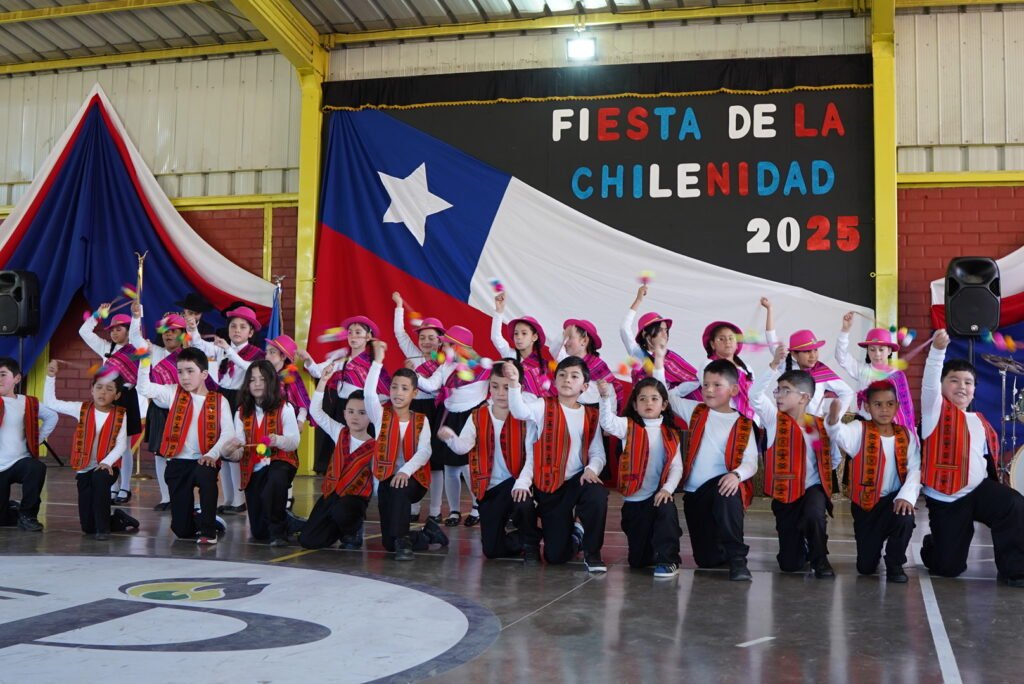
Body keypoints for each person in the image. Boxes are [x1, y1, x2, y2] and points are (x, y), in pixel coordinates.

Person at [919, 330, 1024, 587]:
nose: (962, 386)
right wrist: (937, 351)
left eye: (968, 382)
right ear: (942, 385)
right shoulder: (934, 412)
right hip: (948, 499)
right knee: (949, 568)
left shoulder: (980, 421)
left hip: (977, 492)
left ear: (974, 390)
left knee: (1012, 503)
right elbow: (929, 383)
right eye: (954, 380)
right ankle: (933, 545)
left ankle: (1014, 570)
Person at [657, 350, 758, 581]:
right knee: (707, 560)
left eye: (717, 385)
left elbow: (751, 462)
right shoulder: (696, 411)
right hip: (695, 494)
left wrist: (736, 475)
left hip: (723, 488)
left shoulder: (743, 423)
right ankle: (720, 547)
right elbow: (665, 395)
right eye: (705, 385)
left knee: (727, 490)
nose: (709, 390)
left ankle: (738, 560)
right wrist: (660, 361)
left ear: (734, 390)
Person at [506, 356, 609, 573]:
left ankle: (592, 553)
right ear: (555, 381)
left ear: (585, 386)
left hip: (576, 481)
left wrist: (592, 469)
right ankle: (576, 535)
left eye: (574, 376)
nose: (567, 379)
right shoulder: (543, 405)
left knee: (597, 493)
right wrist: (514, 383)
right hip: (549, 483)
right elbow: (519, 411)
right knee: (555, 557)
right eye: (562, 375)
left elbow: (598, 453)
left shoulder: (591, 415)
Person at [750, 345, 839, 578]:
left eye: (785, 391)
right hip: (785, 493)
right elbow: (754, 396)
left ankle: (820, 559)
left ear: (804, 397)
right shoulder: (773, 420)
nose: (778, 395)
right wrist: (772, 366)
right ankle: (801, 546)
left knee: (814, 514)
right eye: (777, 390)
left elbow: (831, 458)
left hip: (812, 488)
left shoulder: (817, 425)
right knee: (789, 565)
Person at [439, 359, 535, 561]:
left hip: (517, 483)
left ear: (518, 387)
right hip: (489, 488)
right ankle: (527, 538)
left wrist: (523, 483)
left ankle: (530, 542)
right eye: (495, 386)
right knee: (491, 551)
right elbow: (463, 447)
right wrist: (450, 438)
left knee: (524, 504)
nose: (500, 393)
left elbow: (531, 457)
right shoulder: (478, 415)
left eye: (506, 387)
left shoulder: (526, 416)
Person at [825, 380, 920, 583]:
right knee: (866, 568)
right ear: (867, 407)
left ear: (897, 406)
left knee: (905, 517)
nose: (884, 409)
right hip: (866, 506)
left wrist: (906, 497)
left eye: (889, 404)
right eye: (878, 404)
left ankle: (895, 563)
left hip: (894, 501)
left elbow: (915, 469)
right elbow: (840, 435)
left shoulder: (906, 435)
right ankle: (872, 551)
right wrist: (833, 421)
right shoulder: (859, 429)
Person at [137, 347, 232, 545]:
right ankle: (203, 519)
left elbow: (228, 434)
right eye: (180, 372)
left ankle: (208, 530)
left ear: (204, 374)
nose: (184, 377)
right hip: (178, 462)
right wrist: (145, 360)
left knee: (206, 477)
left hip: (204, 460)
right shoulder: (173, 392)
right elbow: (144, 388)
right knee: (182, 531)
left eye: (190, 371)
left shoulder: (219, 401)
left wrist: (212, 454)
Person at [364, 342, 448, 560]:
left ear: (414, 393)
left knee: (400, 489)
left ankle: (403, 541)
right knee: (387, 543)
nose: (398, 393)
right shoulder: (380, 416)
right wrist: (378, 362)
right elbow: (369, 394)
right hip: (387, 478)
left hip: (414, 480)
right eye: (394, 387)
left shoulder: (421, 420)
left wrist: (405, 471)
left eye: (404, 388)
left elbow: (424, 452)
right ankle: (427, 534)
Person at [597, 374, 684, 578]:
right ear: (635, 405)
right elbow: (607, 423)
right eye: (642, 399)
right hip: (634, 501)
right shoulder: (626, 426)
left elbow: (676, 467)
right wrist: (604, 397)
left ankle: (669, 560)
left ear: (664, 405)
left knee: (666, 510)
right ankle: (650, 549)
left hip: (658, 497)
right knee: (638, 561)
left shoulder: (671, 434)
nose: (648, 403)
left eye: (654, 398)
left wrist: (667, 490)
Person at [43, 360, 140, 539]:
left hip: (108, 468)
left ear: (117, 395)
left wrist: (106, 462)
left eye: (109, 389)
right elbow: (51, 403)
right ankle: (118, 519)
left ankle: (103, 530)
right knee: (88, 527)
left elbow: (121, 445)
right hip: (84, 468)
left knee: (99, 478)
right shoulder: (81, 409)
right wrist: (50, 377)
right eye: (99, 387)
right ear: (92, 390)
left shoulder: (120, 415)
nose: (103, 392)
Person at [186, 305, 265, 513]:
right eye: (233, 326)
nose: (237, 330)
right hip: (223, 396)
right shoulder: (222, 348)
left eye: (242, 327)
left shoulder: (256, 353)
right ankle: (229, 499)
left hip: (241, 398)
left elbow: (250, 369)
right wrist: (193, 328)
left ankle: (239, 500)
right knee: (223, 448)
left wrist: (229, 351)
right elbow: (199, 345)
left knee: (235, 446)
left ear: (251, 332)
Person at [415, 325, 489, 527]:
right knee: (450, 467)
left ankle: (477, 507)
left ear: (458, 347)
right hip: (448, 417)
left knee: (468, 466)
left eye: (447, 344)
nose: (443, 347)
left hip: (470, 418)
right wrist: (415, 376)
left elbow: (499, 384)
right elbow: (431, 385)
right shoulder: (445, 367)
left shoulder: (482, 367)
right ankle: (454, 510)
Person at [228, 361, 301, 547]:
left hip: (281, 461)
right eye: (252, 380)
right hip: (254, 467)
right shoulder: (241, 412)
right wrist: (230, 450)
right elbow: (240, 448)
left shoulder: (285, 407)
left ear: (272, 382)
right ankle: (288, 521)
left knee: (274, 483)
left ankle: (279, 533)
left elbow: (294, 442)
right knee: (260, 532)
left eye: (262, 379)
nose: (257, 384)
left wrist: (277, 440)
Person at [299, 388, 379, 550]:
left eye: (362, 413)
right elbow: (316, 412)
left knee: (341, 510)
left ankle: (353, 529)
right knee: (308, 540)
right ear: (344, 414)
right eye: (351, 411)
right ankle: (335, 529)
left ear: (371, 416)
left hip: (355, 499)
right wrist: (322, 383)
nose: (355, 416)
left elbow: (376, 481)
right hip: (332, 494)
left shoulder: (375, 446)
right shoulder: (339, 432)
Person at [392, 291, 447, 522]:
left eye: (431, 337)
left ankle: (435, 510)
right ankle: (413, 508)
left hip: (435, 411)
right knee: (411, 455)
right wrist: (399, 306)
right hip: (414, 409)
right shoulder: (413, 355)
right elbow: (399, 333)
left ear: (440, 340)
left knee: (436, 462)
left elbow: (435, 389)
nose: (426, 341)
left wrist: (414, 373)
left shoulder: (445, 361)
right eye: (422, 337)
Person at [79, 309, 142, 504]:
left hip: (127, 398)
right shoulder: (106, 347)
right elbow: (84, 332)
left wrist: (136, 316)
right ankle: (112, 486)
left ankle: (125, 487)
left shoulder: (137, 349)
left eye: (119, 329)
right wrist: (98, 315)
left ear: (129, 330)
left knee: (125, 445)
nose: (114, 333)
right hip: (108, 399)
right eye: (112, 329)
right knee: (109, 443)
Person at [129, 303, 188, 511]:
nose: (168, 335)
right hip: (159, 411)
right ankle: (166, 498)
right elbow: (135, 339)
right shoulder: (154, 351)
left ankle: (181, 497)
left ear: (183, 334)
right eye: (165, 331)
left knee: (181, 454)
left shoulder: (190, 355)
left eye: (173, 331)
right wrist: (136, 317)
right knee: (161, 454)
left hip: (183, 410)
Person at [0, 357, 58, 531]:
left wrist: (36, 440)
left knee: (36, 467)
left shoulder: (27, 402)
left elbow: (52, 416)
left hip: (18, 462)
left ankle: (27, 515)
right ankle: (11, 509)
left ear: (17, 378)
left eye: (3, 374)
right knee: (2, 520)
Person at [835, 315, 916, 429]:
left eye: (881, 349)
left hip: (888, 428)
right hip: (864, 426)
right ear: (867, 351)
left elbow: (904, 409)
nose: (877, 354)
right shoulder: (862, 370)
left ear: (889, 351)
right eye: (872, 349)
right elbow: (841, 356)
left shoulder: (897, 376)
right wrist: (845, 330)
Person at [619, 284, 699, 393]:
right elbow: (624, 328)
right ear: (645, 334)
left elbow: (695, 380)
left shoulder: (671, 358)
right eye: (660, 329)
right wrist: (638, 300)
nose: (664, 333)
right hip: (639, 401)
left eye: (666, 330)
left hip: (663, 403)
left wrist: (672, 394)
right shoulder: (637, 353)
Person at [491, 291, 553, 397]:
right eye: (516, 333)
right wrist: (499, 311)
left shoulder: (544, 365)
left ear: (534, 337)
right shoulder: (510, 355)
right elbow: (495, 337)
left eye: (524, 333)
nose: (519, 337)